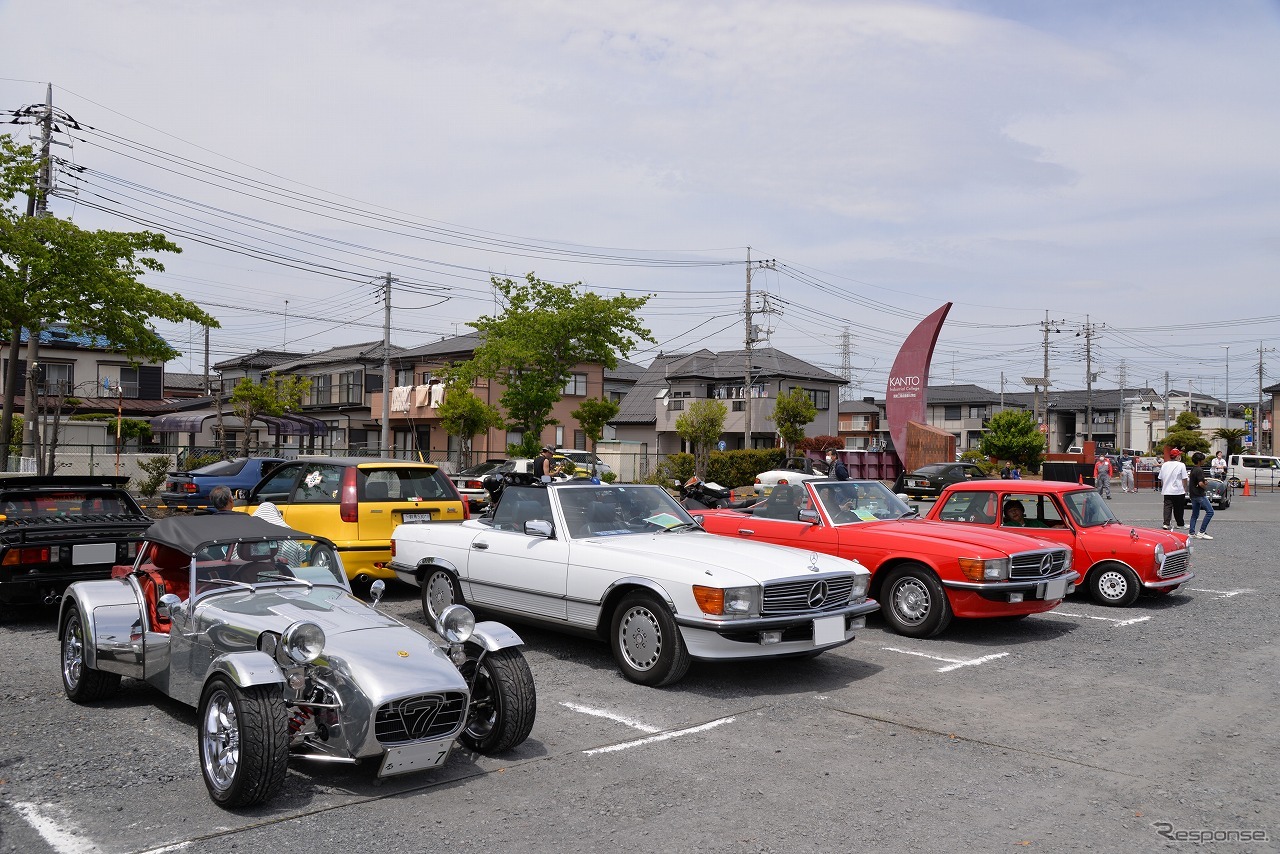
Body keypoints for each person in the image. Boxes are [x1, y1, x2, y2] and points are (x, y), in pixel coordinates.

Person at [1157, 448, 1189, 530]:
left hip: (1167, 490)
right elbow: (1184, 478)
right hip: (1178, 490)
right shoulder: (1181, 465)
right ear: (1177, 456)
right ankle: (1180, 523)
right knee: (1178, 508)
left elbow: (1161, 478)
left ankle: (1166, 523)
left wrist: (1163, 486)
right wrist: (1185, 488)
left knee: (1167, 507)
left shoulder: (1164, 465)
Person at [1187, 452, 1215, 540]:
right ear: (1199, 461)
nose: (1204, 461)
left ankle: (1191, 532)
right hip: (1199, 494)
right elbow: (1200, 483)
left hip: (1193, 494)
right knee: (1210, 512)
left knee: (1195, 514)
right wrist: (1205, 487)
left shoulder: (1193, 469)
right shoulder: (1199, 470)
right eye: (1203, 459)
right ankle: (1202, 532)